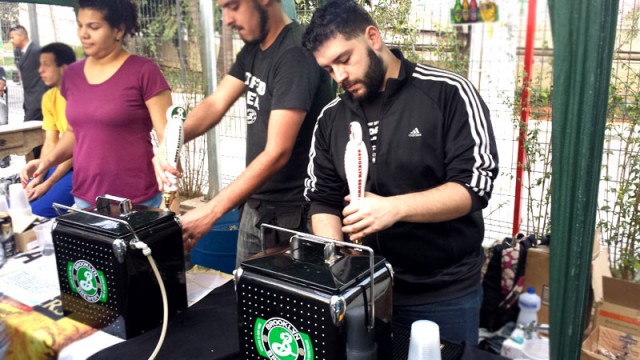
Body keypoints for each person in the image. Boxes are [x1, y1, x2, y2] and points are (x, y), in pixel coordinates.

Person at [301, 0, 499, 345]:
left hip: (442, 293)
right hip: (362, 291)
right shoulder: (331, 118)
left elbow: (474, 185)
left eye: (344, 60)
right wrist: (334, 251)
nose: (340, 76)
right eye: (328, 69)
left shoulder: (448, 92)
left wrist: (393, 208)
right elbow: (322, 199)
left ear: (372, 37)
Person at [155, 0, 332, 265]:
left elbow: (277, 152)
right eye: (222, 9)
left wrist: (211, 211)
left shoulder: (297, 51)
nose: (226, 19)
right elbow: (215, 104)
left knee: (280, 304)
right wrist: (170, 142)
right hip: (256, 203)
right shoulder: (254, 49)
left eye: (233, 6)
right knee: (244, 297)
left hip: (294, 212)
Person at [21, 0, 172, 209]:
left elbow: (170, 138)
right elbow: (74, 133)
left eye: (93, 27)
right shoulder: (72, 75)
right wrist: (47, 161)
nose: (83, 34)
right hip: (86, 196)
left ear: (118, 30)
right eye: (80, 25)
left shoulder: (144, 71)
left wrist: (171, 201)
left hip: (136, 199)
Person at [20, 43, 76, 218]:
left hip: (81, 165)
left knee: (39, 210)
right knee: (20, 203)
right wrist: (39, 174)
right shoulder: (49, 97)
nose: (40, 70)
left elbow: (77, 145)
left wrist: (49, 182)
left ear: (64, 67)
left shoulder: (80, 96)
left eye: (47, 65)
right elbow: (51, 141)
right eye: (39, 65)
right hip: (61, 160)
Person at [9, 25, 48, 122]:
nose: (11, 41)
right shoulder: (22, 52)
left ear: (21, 37)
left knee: (26, 132)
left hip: (37, 101)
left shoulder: (36, 51)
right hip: (30, 102)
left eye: (13, 37)